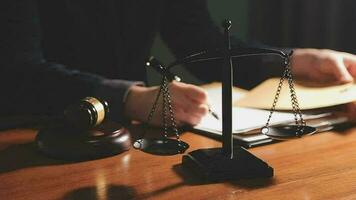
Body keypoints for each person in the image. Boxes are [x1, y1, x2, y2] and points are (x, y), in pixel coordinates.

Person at [1, 0, 356, 127]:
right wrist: (129, 99)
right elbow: (16, 72)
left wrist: (291, 62)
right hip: (28, 133)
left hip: (128, 136)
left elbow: (202, 44)